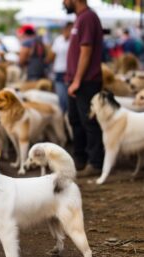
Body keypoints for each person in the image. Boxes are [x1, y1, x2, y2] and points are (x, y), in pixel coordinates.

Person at [64, 0, 104, 176]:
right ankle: (79, 160)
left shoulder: (88, 17)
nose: (63, 2)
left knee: (89, 122)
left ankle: (95, 163)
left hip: (87, 81)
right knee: (75, 120)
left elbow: (86, 51)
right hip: (77, 81)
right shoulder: (80, 18)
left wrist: (78, 80)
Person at [50, 22, 73, 113]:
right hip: (59, 71)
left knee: (68, 98)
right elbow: (52, 54)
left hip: (70, 72)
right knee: (61, 97)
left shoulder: (74, 40)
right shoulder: (58, 40)